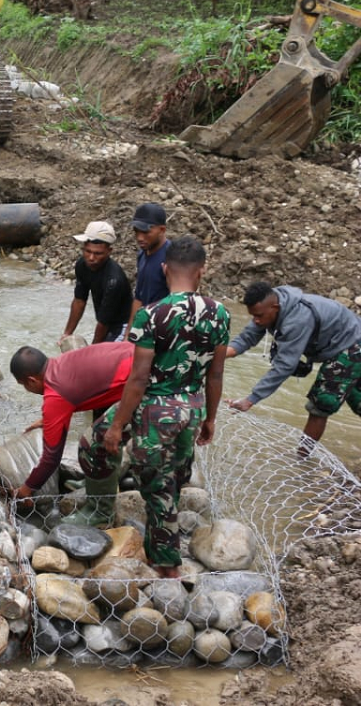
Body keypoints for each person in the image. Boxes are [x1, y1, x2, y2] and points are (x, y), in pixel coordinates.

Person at [97, 236, 229, 578]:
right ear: (201, 272)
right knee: (172, 481)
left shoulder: (151, 315)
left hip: (156, 414)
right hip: (193, 410)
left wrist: (116, 426)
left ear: (165, 268)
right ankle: (167, 552)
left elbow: (138, 379)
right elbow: (215, 375)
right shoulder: (220, 314)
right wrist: (210, 419)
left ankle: (166, 565)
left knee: (157, 488)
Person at [226, 281, 361, 456]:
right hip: (346, 341)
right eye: (253, 316)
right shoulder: (267, 309)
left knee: (321, 403)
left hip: (352, 345)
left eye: (259, 316)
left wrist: (251, 399)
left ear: (275, 307)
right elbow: (246, 338)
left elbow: (284, 366)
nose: (256, 321)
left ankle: (301, 460)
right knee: (356, 398)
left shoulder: (297, 320)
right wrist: (218, 355)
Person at [8, 343, 134, 523]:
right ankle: (96, 483)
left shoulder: (55, 394)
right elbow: (81, 390)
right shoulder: (62, 364)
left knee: (91, 445)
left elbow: (51, 458)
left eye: (23, 385)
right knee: (100, 420)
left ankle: (101, 512)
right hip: (141, 359)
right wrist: (49, 421)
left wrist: (26, 489)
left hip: (148, 383)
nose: (25, 388)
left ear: (31, 381)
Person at [60, 221, 133, 344]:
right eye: (88, 251)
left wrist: (93, 349)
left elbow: (103, 322)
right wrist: (67, 333)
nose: (91, 258)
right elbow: (79, 300)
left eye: (98, 253)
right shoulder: (82, 265)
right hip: (104, 321)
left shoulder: (114, 280)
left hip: (123, 326)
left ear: (109, 251)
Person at [129, 202, 170, 319]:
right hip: (145, 324)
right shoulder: (142, 253)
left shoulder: (171, 258)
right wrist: (129, 332)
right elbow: (139, 297)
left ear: (162, 230)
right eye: (136, 231)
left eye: (146, 232)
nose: (139, 238)